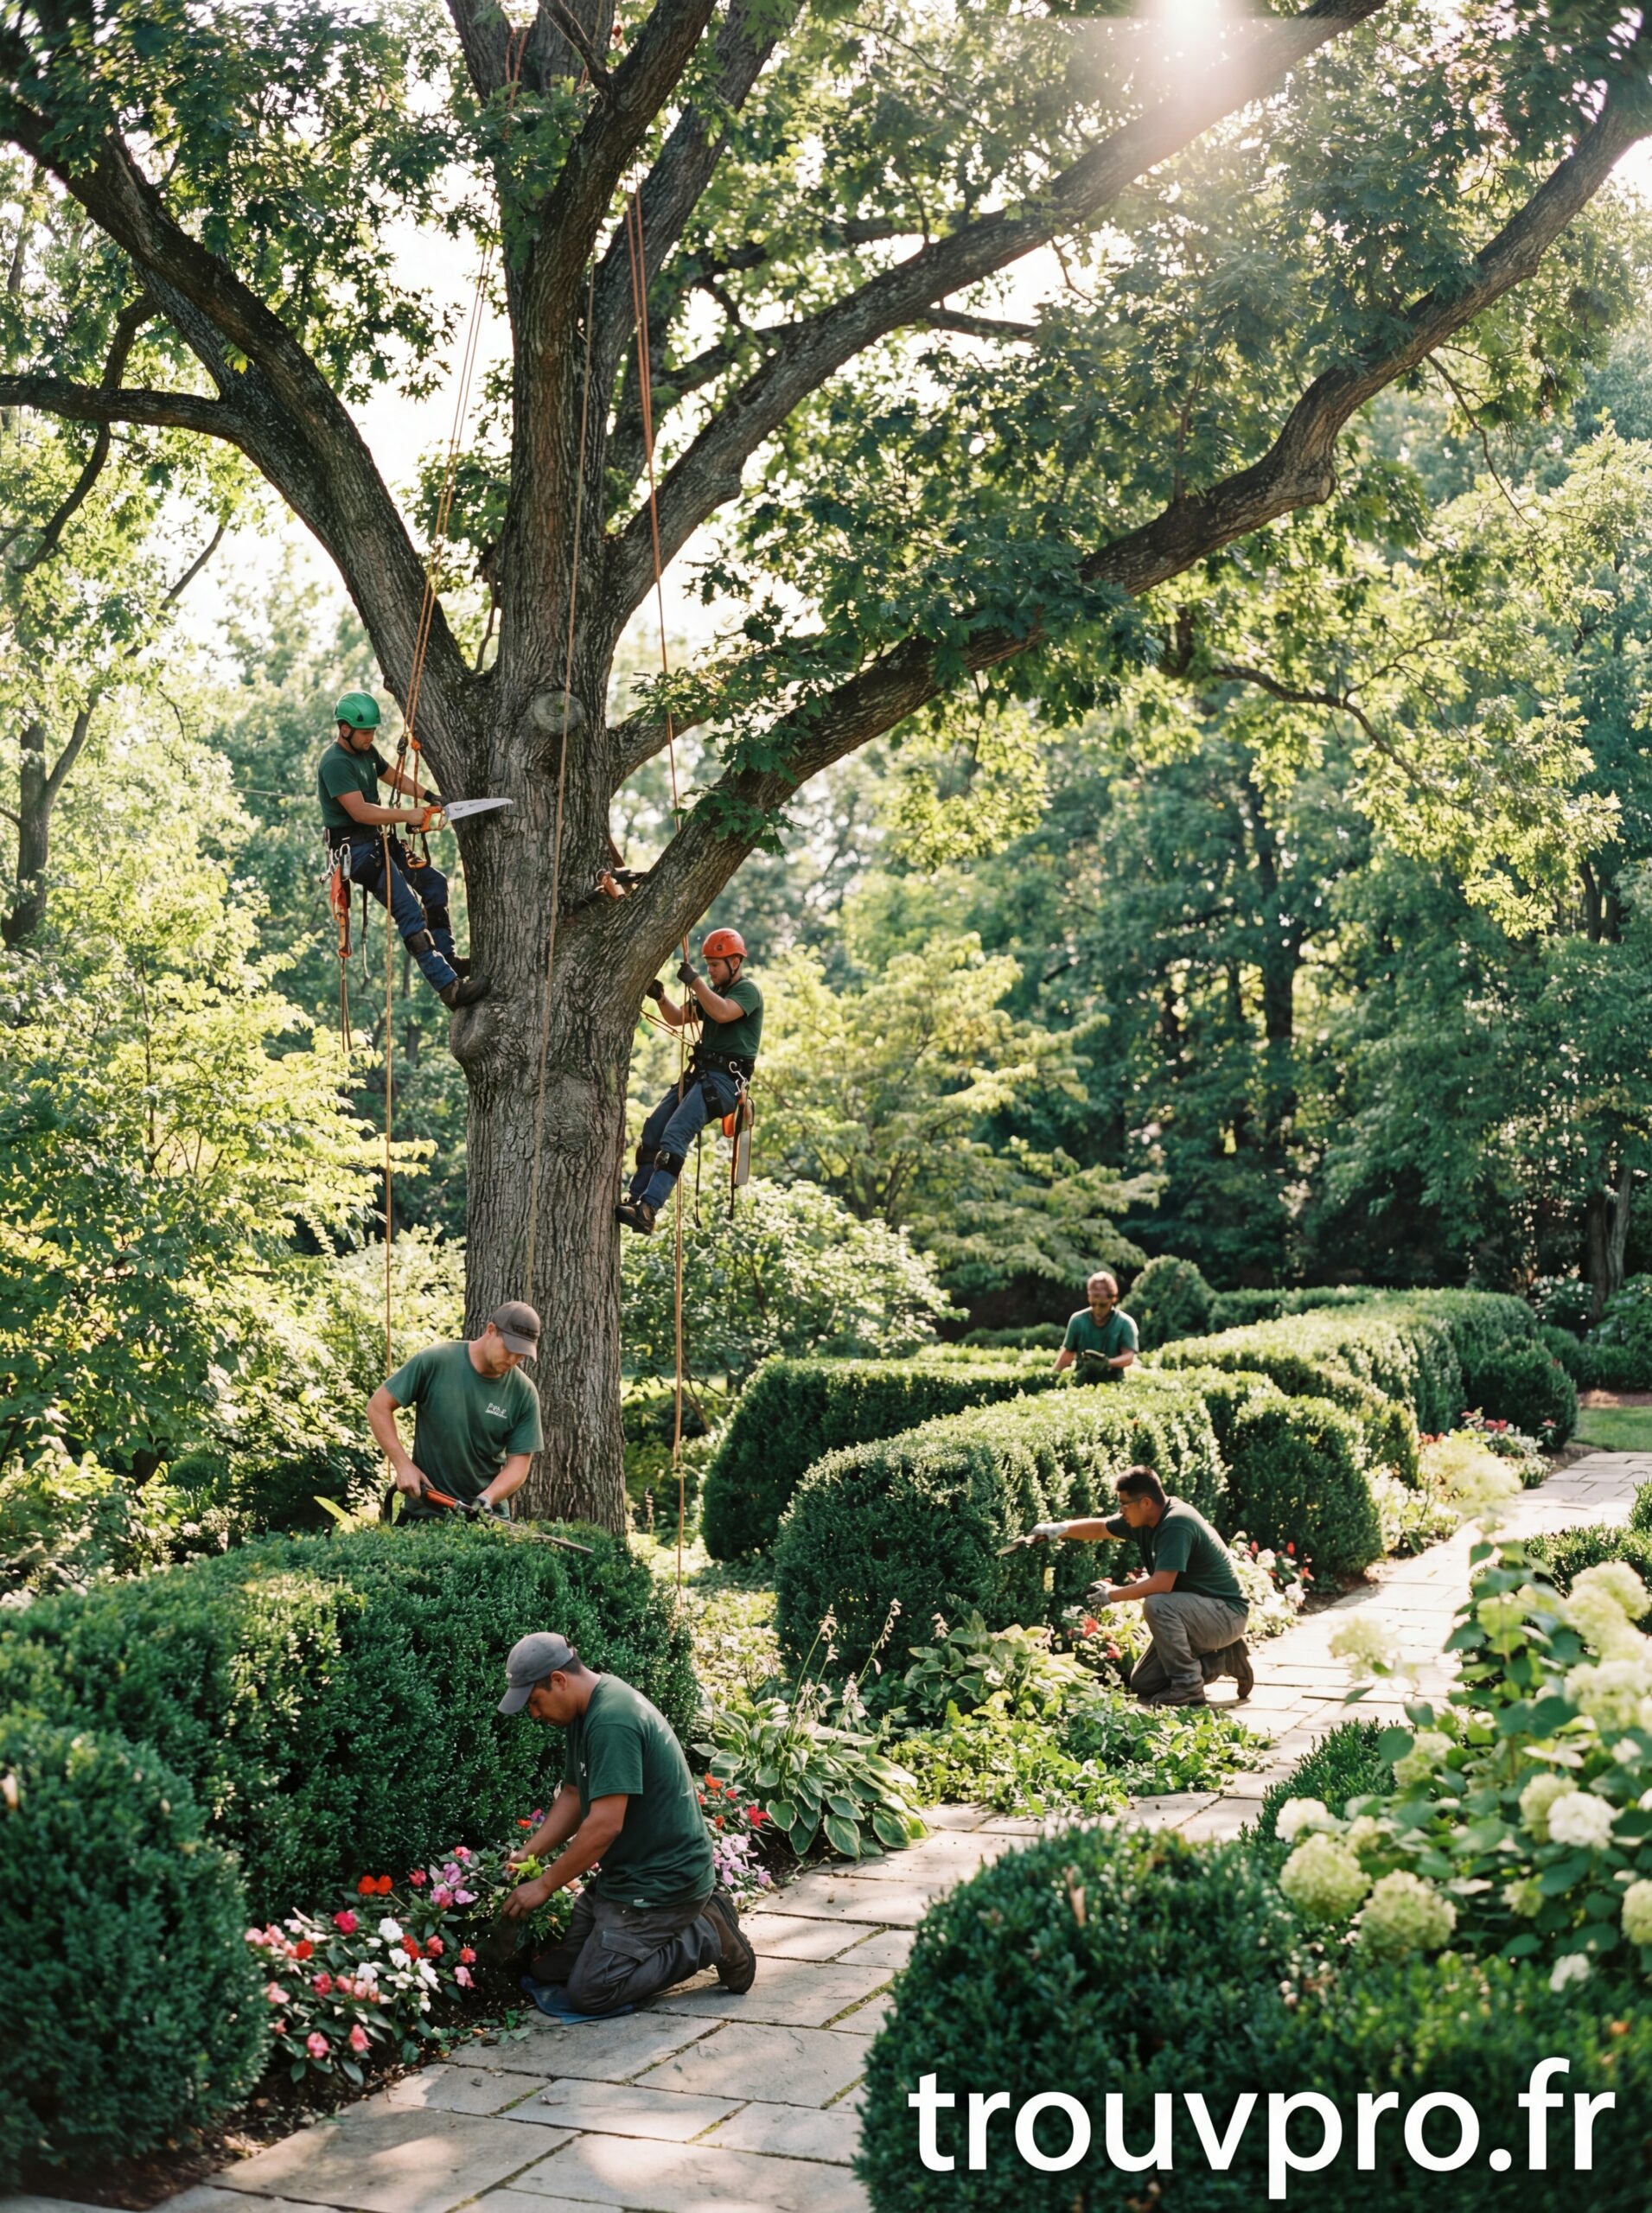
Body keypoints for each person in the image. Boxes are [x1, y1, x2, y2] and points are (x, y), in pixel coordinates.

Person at [497, 1631, 756, 2014]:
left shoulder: (611, 1721)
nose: (534, 1715)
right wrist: (528, 1854)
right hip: (626, 1879)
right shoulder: (584, 1712)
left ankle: (707, 1933)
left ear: (558, 1680)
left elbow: (604, 1826)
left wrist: (545, 1885)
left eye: (535, 1702)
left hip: (663, 1883)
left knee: (592, 1992)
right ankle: (683, 1926)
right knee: (551, 1968)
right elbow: (572, 1795)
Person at [318, 691, 489, 1010]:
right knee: (409, 911)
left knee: (434, 884)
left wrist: (428, 796)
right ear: (345, 729)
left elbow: (392, 776)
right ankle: (449, 989)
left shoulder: (366, 753)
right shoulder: (335, 763)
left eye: (372, 732)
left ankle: (447, 958)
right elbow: (360, 812)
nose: (370, 738)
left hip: (378, 841)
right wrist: (406, 815)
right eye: (365, 732)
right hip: (357, 853)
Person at [1028, 1465, 1252, 1706]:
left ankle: (1188, 1687)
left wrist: (1112, 1595)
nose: (1121, 1511)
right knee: (1144, 1683)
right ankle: (1224, 1658)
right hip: (1199, 1613)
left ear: (1145, 1502)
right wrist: (1057, 1530)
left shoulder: (1177, 1522)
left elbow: (1162, 1584)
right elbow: (1102, 1527)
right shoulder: (1144, 1519)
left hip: (1227, 1614)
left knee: (1157, 1604)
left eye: (1124, 1505)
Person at [617, 926, 762, 1235]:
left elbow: (723, 1014)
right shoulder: (714, 994)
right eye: (707, 965)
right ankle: (636, 1197)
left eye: (715, 965)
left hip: (723, 1083)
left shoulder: (746, 991)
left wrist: (695, 981)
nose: (709, 971)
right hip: (701, 1076)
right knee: (654, 1127)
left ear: (734, 963)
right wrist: (660, 997)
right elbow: (678, 1018)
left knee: (675, 1133)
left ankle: (648, 1209)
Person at [369, 1303, 544, 1520]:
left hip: (485, 1519)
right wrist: (402, 1464)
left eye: (521, 1355)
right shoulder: (436, 1361)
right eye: (509, 1349)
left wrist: (487, 1498)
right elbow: (378, 1407)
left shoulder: (523, 1393)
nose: (513, 1360)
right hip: (426, 1512)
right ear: (491, 1330)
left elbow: (518, 1465)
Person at [1054, 1270, 1139, 1383]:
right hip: (1081, 1380)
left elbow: (1129, 1357)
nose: (1098, 1310)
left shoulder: (1125, 1323)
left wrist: (1107, 1363)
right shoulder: (1078, 1321)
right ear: (1089, 1298)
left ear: (1113, 1299)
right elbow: (1067, 1355)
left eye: (1103, 1305)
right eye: (1094, 1304)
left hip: (1113, 1382)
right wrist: (1052, 1377)